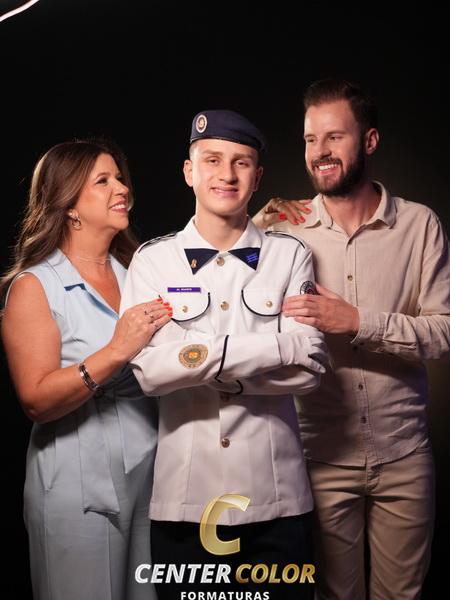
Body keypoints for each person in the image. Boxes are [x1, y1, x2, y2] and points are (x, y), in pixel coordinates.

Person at [253, 78, 450, 600]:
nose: (319, 151)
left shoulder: (420, 225)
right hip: (318, 457)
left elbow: (445, 331)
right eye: (310, 139)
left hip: (404, 455)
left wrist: (358, 321)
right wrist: (255, 221)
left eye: (334, 137)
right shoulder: (281, 229)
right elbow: (233, 299)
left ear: (370, 140)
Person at [120, 109, 328, 600]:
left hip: (277, 500)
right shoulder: (152, 261)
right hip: (185, 504)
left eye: (241, 162)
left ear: (257, 176)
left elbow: (310, 367)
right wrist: (272, 347)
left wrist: (199, 363)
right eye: (212, 160)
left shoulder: (290, 255)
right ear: (189, 172)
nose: (227, 174)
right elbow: (148, 371)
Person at [1, 139, 172, 600]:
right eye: (103, 180)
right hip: (76, 488)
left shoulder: (140, 273)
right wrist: (115, 351)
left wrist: (258, 224)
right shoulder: (35, 286)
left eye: (120, 178)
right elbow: (36, 400)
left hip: (152, 478)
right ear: (70, 205)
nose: (122, 188)